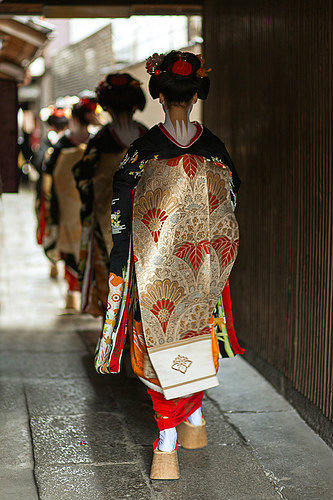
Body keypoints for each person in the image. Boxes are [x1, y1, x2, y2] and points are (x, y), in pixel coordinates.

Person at [94, 51, 244, 479]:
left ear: (158, 94)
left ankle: (168, 441)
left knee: (156, 338)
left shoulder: (143, 152)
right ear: (196, 95)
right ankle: (193, 420)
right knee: (198, 333)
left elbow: (120, 211)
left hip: (152, 267)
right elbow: (230, 203)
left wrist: (120, 261)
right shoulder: (214, 149)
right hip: (203, 266)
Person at [73, 73, 147, 317]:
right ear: (137, 104)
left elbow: (82, 177)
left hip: (107, 217)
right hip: (147, 219)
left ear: (106, 105)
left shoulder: (102, 140)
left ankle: (113, 328)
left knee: (111, 271)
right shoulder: (148, 137)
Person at [42, 97, 98, 311]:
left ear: (73, 119)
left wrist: (47, 203)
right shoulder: (95, 143)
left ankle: (73, 293)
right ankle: (88, 293)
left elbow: (48, 176)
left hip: (65, 207)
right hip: (90, 207)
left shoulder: (61, 145)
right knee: (91, 249)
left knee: (70, 252)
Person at [31, 107, 69, 278]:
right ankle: (53, 261)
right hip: (51, 193)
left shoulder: (66, 141)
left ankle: (61, 263)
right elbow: (38, 162)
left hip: (64, 193)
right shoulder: (49, 143)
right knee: (53, 226)